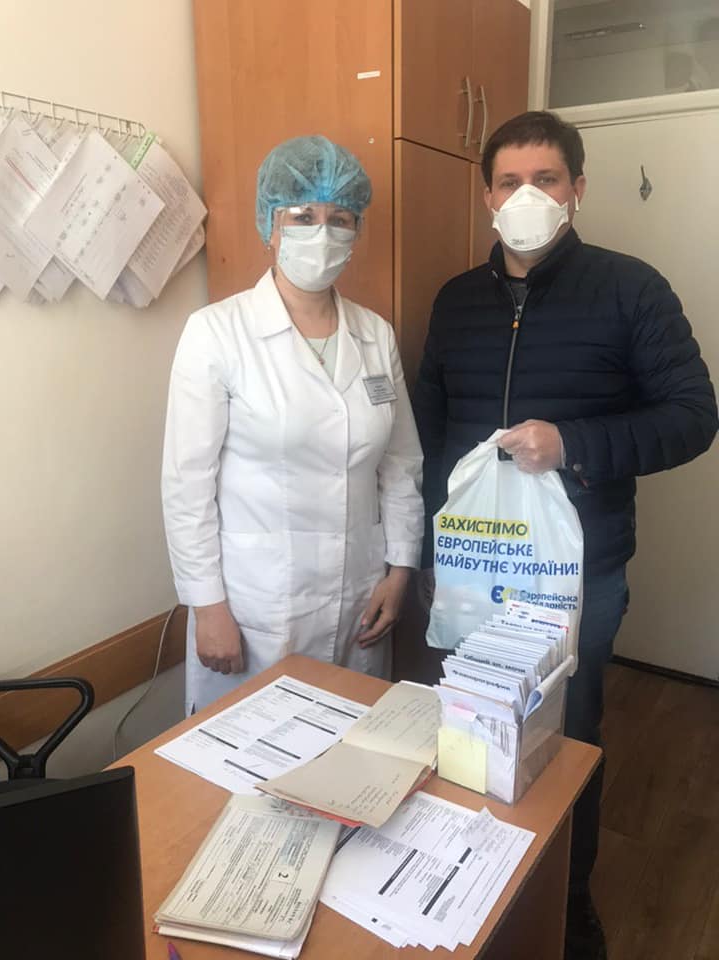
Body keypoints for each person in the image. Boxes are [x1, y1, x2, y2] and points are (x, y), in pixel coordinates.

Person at [412, 111, 717, 960]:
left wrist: (573, 443)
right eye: (509, 182)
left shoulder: (631, 290)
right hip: (473, 562)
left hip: (577, 574)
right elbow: (430, 431)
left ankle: (565, 900)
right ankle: (469, 881)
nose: (527, 196)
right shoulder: (455, 301)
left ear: (577, 189)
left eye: (545, 179)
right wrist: (430, 549)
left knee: (565, 733)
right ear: (487, 196)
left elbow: (693, 416)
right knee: (470, 724)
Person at [162, 135, 423, 716]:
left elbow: (401, 464)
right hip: (257, 607)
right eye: (303, 216)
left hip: (360, 596)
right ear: (270, 226)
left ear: (356, 230)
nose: (322, 233)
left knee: (351, 747)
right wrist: (207, 607)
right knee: (252, 753)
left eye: (339, 219)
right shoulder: (216, 332)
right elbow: (187, 485)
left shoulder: (374, 334)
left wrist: (400, 570)